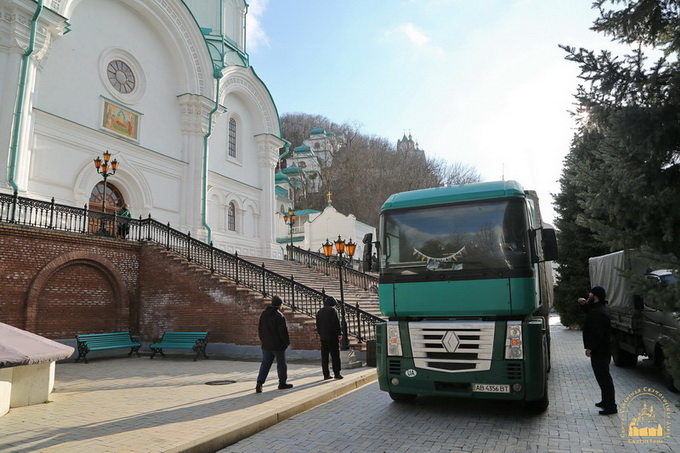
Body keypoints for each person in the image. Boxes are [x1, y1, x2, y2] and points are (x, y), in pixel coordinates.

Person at [578, 286, 617, 415]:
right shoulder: (599, 309)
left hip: (600, 350)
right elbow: (590, 314)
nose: (589, 295)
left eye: (591, 294)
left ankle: (611, 406)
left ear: (595, 296)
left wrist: (590, 348)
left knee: (604, 378)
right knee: (602, 376)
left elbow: (597, 333)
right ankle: (605, 401)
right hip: (602, 349)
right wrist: (584, 305)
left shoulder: (599, 312)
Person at [255, 295, 293, 393]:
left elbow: (260, 328)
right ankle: (282, 383)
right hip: (278, 345)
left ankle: (259, 382)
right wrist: (286, 343)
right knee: (281, 364)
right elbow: (283, 332)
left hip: (266, 344)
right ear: (280, 304)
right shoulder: (279, 316)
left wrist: (262, 340)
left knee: (265, 363)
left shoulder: (264, 314)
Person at [316, 296, 343, 380]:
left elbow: (318, 325)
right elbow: (336, 323)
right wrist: (339, 333)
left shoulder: (319, 311)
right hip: (332, 336)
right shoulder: (332, 310)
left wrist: (321, 333)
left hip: (323, 336)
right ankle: (337, 373)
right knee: (335, 355)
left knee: (325, 356)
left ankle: (326, 374)